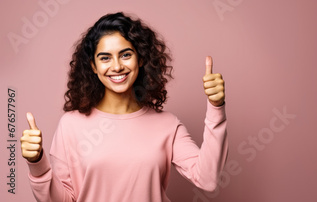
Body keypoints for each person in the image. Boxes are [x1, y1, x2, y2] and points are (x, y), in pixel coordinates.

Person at [20, 12, 228, 202]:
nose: (117, 66)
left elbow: (207, 179)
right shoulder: (70, 125)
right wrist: (37, 162)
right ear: (93, 66)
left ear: (141, 59)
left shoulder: (167, 125)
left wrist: (216, 107)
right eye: (105, 58)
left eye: (126, 54)